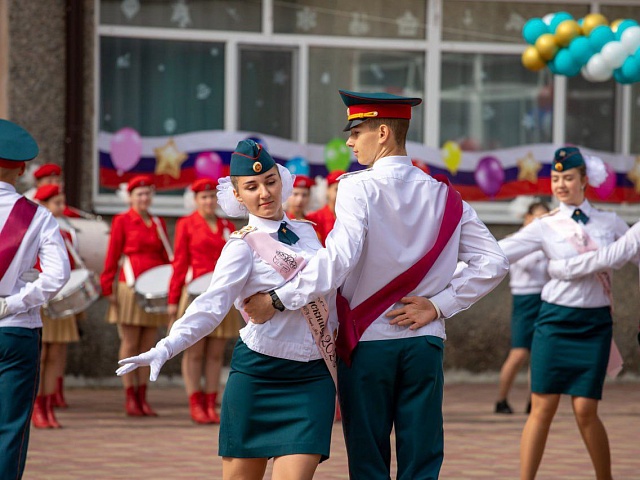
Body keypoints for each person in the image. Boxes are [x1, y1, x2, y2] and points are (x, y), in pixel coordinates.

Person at [243, 90, 509, 479]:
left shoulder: (357, 187)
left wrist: (278, 299)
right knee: (422, 460)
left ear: (382, 132)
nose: (349, 141)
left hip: (366, 344)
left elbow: (338, 262)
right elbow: (494, 262)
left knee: (369, 463)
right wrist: (439, 306)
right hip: (424, 340)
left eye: (356, 131)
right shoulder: (445, 196)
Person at [117, 139, 338, 480]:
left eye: (270, 182)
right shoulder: (242, 246)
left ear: (282, 181)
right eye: (251, 187)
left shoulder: (309, 234)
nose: (264, 193)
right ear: (238, 196)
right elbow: (210, 305)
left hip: (312, 377)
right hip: (259, 373)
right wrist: (166, 346)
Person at [498, 147, 629, 480]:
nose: (560, 184)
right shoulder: (545, 225)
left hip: (594, 324)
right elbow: (501, 252)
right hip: (554, 322)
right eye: (556, 178)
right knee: (543, 406)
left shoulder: (609, 222)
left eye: (568, 178)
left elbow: (635, 252)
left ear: (585, 181)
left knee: (586, 409)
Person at [0, 119, 70, 479]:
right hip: (15, 329)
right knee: (10, 428)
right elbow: (58, 274)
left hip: (16, 327)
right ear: (23, 169)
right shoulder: (38, 216)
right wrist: (13, 303)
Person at [168, 178, 239, 425]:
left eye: (212, 197)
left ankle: (210, 402)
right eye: (204, 197)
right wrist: (173, 300)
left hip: (221, 293)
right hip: (195, 294)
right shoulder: (186, 224)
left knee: (216, 352)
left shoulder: (227, 225)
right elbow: (179, 263)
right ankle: (195, 402)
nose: (209, 202)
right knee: (195, 352)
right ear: (195, 200)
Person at [100, 175, 171, 417]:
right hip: (130, 285)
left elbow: (165, 256)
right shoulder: (122, 220)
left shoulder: (157, 222)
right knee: (130, 342)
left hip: (153, 288)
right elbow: (113, 254)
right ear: (130, 197)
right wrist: (107, 285)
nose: (144, 198)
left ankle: (143, 396)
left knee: (148, 345)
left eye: (148, 193)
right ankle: (130, 396)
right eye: (139, 194)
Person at [31, 185, 81, 429]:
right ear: (43, 205)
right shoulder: (32, 231)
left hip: (61, 299)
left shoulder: (67, 235)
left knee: (57, 355)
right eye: (56, 203)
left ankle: (48, 405)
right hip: (41, 298)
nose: (61, 208)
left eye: (63, 203)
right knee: (42, 355)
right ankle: (37, 406)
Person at [496, 200, 550, 415]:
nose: (540, 223)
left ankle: (533, 400)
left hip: (546, 299)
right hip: (524, 300)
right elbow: (526, 264)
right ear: (526, 218)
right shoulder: (515, 241)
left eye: (545, 219)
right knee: (518, 353)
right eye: (536, 218)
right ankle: (501, 400)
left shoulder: (549, 241)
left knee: (539, 353)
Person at [306, 170, 344, 246]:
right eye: (336, 189)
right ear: (327, 190)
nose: (341, 193)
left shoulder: (349, 216)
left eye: (344, 190)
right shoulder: (314, 218)